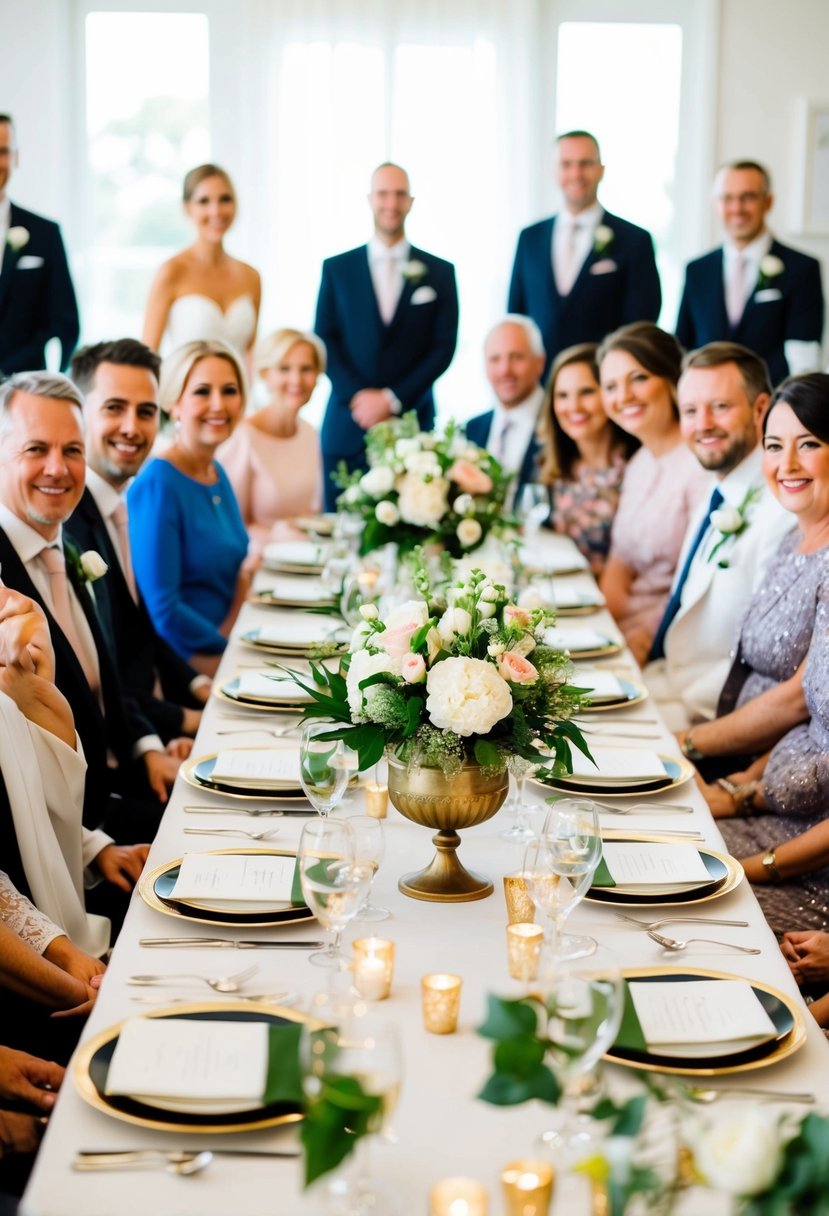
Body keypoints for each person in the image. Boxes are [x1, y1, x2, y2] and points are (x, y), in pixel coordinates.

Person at [671, 377, 829, 932]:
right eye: (774, 444)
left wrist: (752, 866)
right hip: (773, 801)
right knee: (638, 849)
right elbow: (809, 722)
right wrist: (740, 794)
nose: (787, 462)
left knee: (671, 906)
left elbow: (796, 704)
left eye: (808, 442)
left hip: (809, 861)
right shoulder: (794, 537)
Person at [0, 372, 178, 846]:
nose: (58, 469)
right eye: (36, 449)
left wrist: (147, 749)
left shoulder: (73, 545)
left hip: (114, 793)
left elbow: (108, 685)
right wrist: (94, 850)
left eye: (72, 450)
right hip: (54, 839)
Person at [67, 339, 210, 743]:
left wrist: (201, 686)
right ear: (78, 415)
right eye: (114, 408)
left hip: (153, 719)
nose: (132, 427)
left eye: (145, 412)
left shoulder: (119, 504)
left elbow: (138, 634)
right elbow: (102, 672)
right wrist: (181, 724)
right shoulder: (68, 527)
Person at [644, 343, 795, 729]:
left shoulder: (782, 509)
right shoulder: (717, 490)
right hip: (663, 683)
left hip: (707, 714)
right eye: (690, 411)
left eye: (720, 407)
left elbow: (763, 658)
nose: (703, 423)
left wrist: (669, 720)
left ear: (761, 409)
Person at [315, 162, 459, 509]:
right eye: (383, 193)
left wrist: (393, 398)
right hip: (347, 423)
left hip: (414, 425)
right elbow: (324, 339)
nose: (390, 203)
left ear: (410, 201)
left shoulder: (440, 272)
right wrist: (360, 399)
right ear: (370, 199)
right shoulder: (337, 269)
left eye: (399, 194)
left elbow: (443, 346)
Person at [128, 340, 253, 676]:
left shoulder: (216, 471)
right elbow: (164, 612)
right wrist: (229, 653)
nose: (219, 404)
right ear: (173, 403)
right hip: (186, 664)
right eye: (202, 392)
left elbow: (238, 564)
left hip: (232, 639)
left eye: (229, 390)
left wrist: (237, 635)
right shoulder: (159, 482)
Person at [507, 130, 661, 380]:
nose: (576, 173)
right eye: (566, 164)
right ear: (554, 171)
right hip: (540, 381)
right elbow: (517, 315)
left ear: (601, 170)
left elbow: (641, 323)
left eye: (585, 164)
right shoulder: (529, 238)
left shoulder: (635, 240)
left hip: (604, 379)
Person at [597, 323, 710, 663]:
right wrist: (602, 627)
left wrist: (642, 639)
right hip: (623, 633)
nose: (624, 396)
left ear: (673, 380)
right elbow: (621, 560)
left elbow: (693, 586)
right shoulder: (638, 464)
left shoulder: (701, 466)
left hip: (666, 643)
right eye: (611, 386)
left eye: (639, 378)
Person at [676, 160, 824, 386]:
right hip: (706, 403)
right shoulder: (696, 270)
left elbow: (804, 359)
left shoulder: (802, 269)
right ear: (716, 204)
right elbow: (683, 346)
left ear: (768, 202)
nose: (737, 208)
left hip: (771, 401)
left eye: (748, 197)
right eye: (727, 198)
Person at [535, 342, 638, 574]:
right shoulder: (553, 463)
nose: (573, 406)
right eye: (562, 395)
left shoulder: (636, 468)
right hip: (561, 592)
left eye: (587, 392)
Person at [218, 327, 325, 544]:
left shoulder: (310, 433)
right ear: (266, 374)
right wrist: (278, 539)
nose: (296, 380)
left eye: (306, 369)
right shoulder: (243, 437)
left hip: (307, 558)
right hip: (259, 563)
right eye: (284, 369)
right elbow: (229, 523)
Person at [142, 164, 260, 359]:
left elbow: (250, 354)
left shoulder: (251, 276)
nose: (216, 211)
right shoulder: (171, 271)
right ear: (187, 208)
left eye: (225, 199)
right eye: (204, 201)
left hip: (240, 389)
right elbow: (148, 354)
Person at [0, 113, 79, 376]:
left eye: (2, 151)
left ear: (16, 157)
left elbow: (66, 324)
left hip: (26, 387)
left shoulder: (45, 233)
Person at [465, 316, 546, 509]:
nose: (505, 370)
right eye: (495, 359)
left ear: (539, 363)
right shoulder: (471, 429)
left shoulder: (561, 424)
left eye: (516, 357)